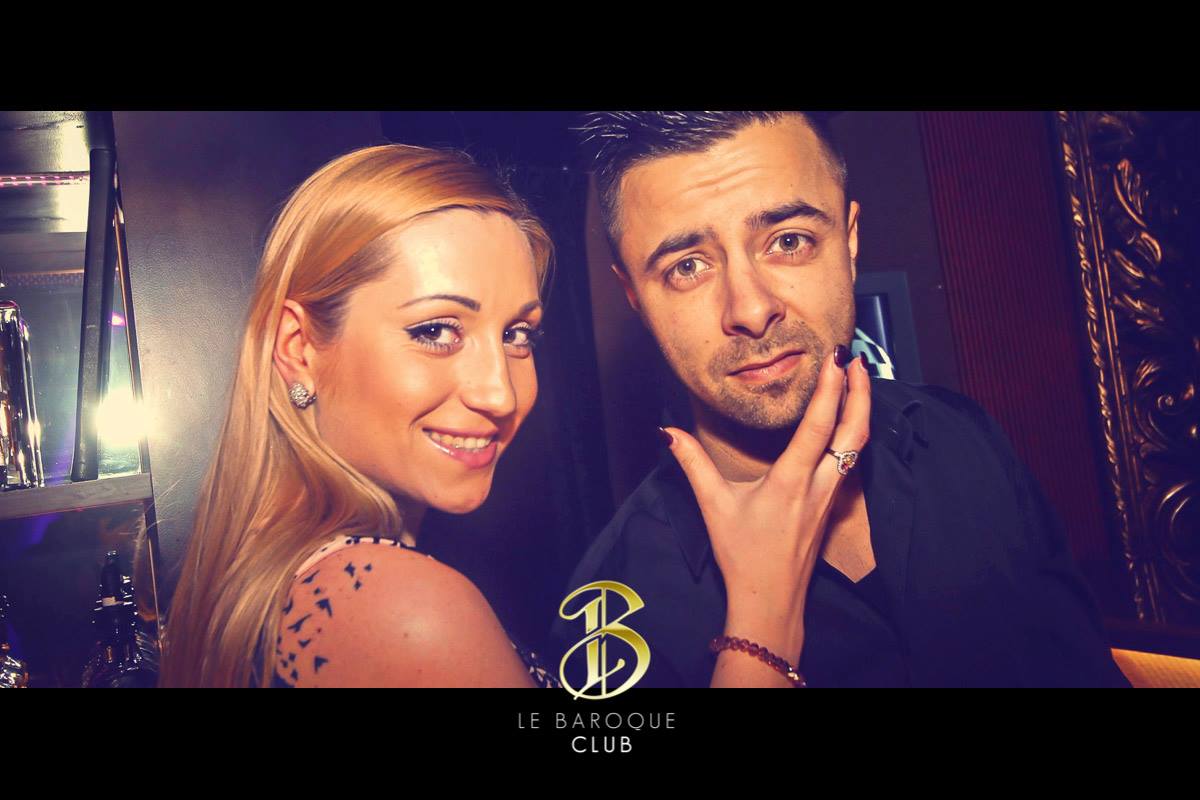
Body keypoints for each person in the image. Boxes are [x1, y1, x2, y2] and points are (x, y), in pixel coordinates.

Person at [548, 111, 1131, 688]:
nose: (751, 310)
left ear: (849, 241)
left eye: (789, 241)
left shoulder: (959, 436)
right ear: (633, 294)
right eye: (688, 266)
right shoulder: (610, 621)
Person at [159, 144, 559, 687]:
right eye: (435, 330)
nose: (500, 395)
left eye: (517, 334)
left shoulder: (265, 574)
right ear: (299, 348)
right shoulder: (402, 607)